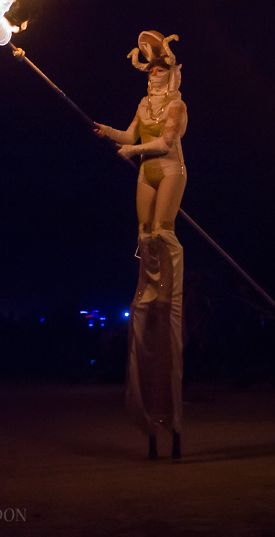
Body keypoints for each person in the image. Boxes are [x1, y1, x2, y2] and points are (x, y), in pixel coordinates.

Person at [95, 30, 187, 460]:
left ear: (170, 73)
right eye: (149, 67)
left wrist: (132, 152)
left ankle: (165, 291)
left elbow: (164, 143)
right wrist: (108, 132)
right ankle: (148, 290)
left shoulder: (176, 105)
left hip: (167, 170)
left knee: (162, 232)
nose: (153, 71)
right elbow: (130, 135)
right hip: (144, 172)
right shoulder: (142, 105)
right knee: (143, 235)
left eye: (159, 67)